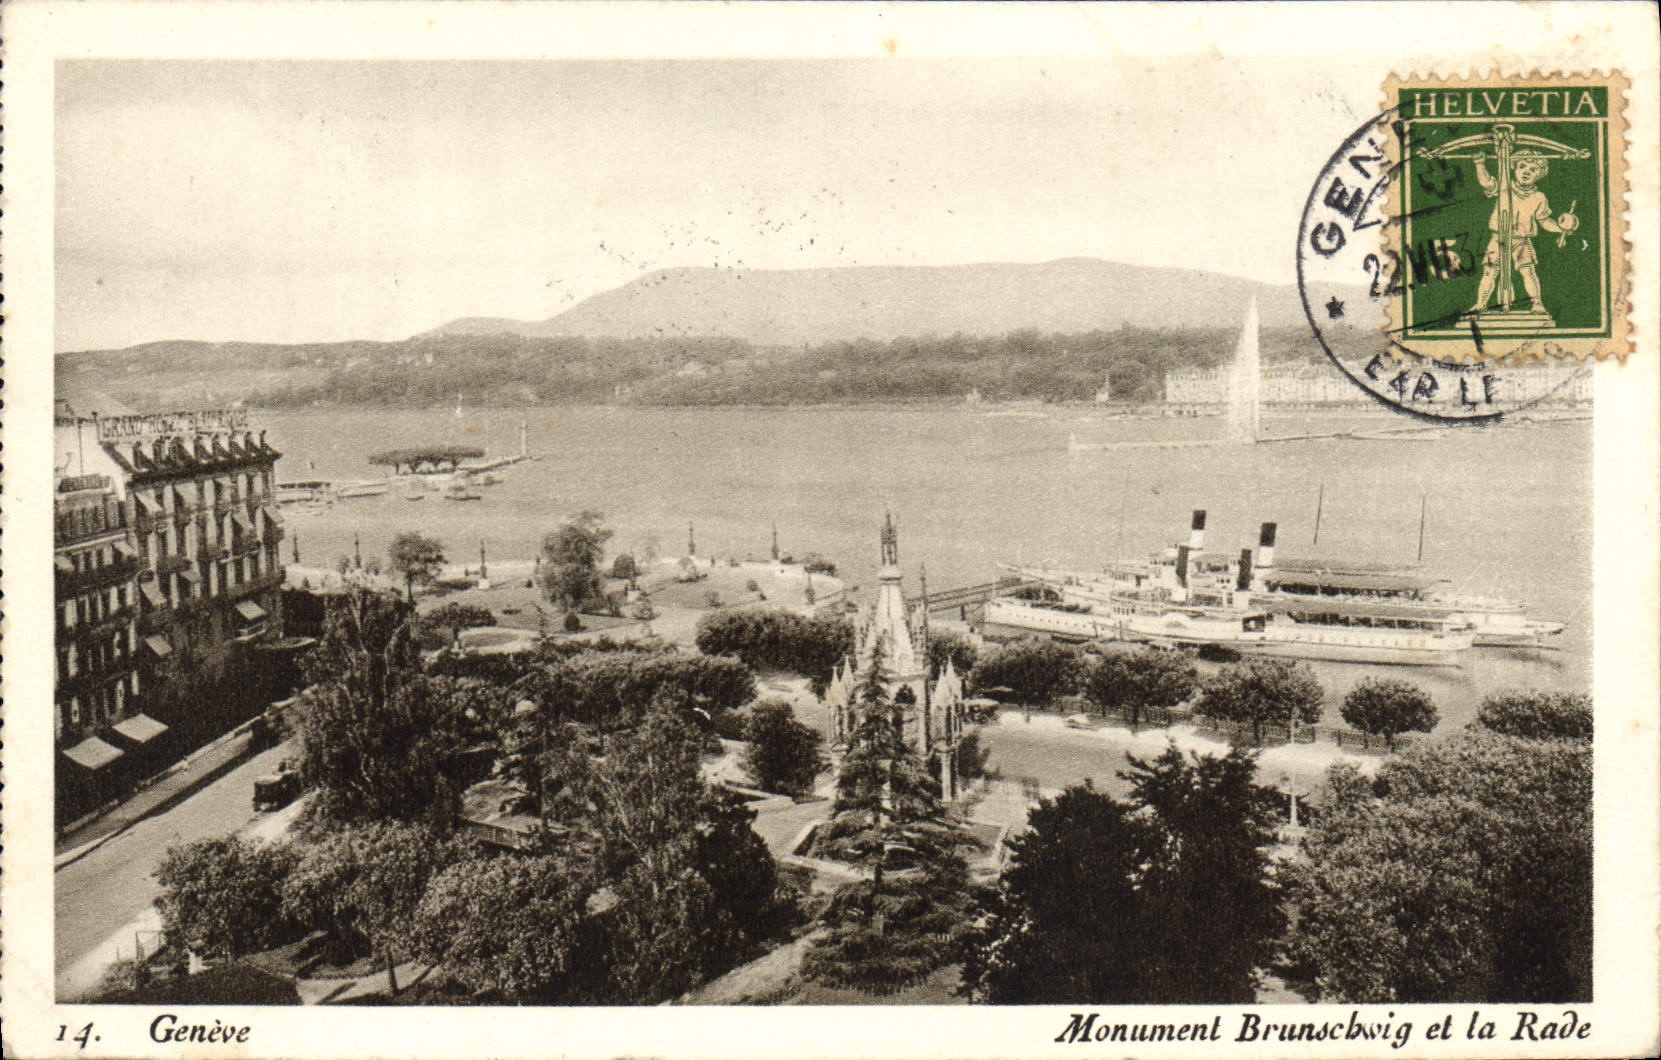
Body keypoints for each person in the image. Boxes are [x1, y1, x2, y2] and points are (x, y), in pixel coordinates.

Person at [1468, 149, 1579, 315]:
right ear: (1514, 167)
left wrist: (1560, 229)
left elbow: (1545, 221)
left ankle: (1537, 304)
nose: (1526, 171)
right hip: (1498, 240)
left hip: (1522, 241)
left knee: (1528, 272)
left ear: (1539, 175)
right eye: (1522, 166)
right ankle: (1481, 305)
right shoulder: (1503, 186)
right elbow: (1486, 182)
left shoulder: (1539, 197)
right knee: (1489, 271)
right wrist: (1479, 164)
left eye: (1533, 169)